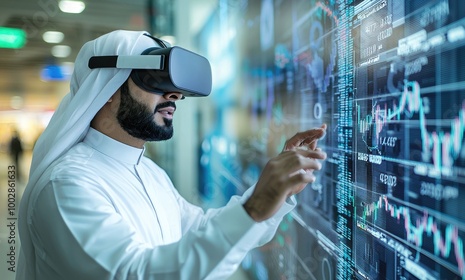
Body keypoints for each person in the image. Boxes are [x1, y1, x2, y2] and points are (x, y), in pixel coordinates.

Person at [17, 30, 327, 280]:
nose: (175, 95)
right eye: (155, 79)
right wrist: (254, 208)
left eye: (176, 87)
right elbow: (135, 273)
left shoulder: (150, 174)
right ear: (108, 88)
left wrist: (273, 194)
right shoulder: (66, 185)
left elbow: (206, 229)